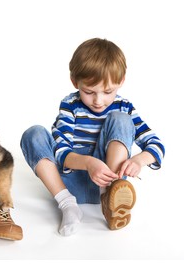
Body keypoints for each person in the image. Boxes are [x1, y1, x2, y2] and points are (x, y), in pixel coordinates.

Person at [20, 38, 165, 236]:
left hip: (107, 181)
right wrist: (88, 163)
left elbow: (156, 145)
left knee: (121, 119)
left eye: (108, 92)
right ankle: (68, 205)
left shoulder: (125, 107)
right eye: (89, 92)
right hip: (70, 182)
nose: (98, 101)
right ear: (75, 82)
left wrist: (139, 160)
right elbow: (61, 152)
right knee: (33, 134)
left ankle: (109, 197)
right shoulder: (70, 105)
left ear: (121, 81)